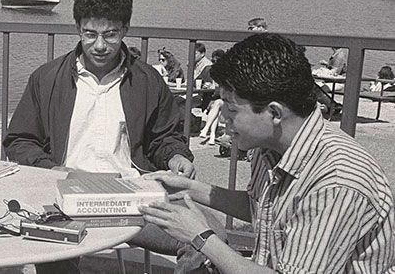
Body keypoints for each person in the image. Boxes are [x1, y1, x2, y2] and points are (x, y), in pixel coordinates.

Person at [3, 0, 223, 273]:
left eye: (110, 35)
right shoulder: (46, 78)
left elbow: (164, 136)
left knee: (211, 236)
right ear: (77, 29)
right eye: (90, 34)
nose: (100, 45)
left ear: (126, 30)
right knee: (54, 254)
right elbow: (19, 140)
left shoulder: (147, 80)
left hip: (131, 199)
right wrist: (52, 169)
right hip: (64, 197)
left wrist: (175, 156)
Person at [140, 33, 395, 273]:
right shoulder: (271, 145)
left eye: (231, 108)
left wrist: (201, 236)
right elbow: (260, 207)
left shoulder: (336, 184)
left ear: (274, 113)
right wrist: (186, 188)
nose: (223, 119)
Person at [198, 49, 225, 145]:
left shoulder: (226, 73)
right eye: (213, 61)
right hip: (210, 100)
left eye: (218, 62)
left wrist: (215, 87)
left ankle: (206, 129)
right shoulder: (208, 70)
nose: (215, 64)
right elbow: (196, 82)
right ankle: (212, 134)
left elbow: (227, 91)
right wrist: (203, 84)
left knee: (217, 104)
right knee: (216, 106)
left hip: (224, 100)